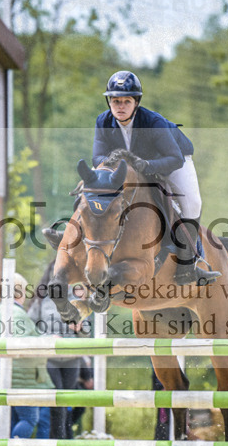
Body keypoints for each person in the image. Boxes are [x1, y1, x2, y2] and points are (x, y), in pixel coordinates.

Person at [93, 70, 220, 286]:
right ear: (109, 102)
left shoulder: (153, 122)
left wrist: (148, 165)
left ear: (136, 102)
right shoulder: (103, 121)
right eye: (115, 101)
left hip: (171, 160)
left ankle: (189, 264)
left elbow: (175, 158)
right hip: (134, 167)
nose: (120, 106)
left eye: (126, 101)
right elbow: (97, 157)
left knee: (192, 203)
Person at [28, 263, 90, 446]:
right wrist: (46, 337)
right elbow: (30, 329)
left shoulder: (76, 299)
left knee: (64, 408)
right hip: (50, 360)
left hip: (72, 360)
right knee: (53, 409)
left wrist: (80, 328)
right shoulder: (41, 301)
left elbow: (87, 333)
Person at [0, 273, 52, 441]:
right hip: (23, 376)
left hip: (12, 372)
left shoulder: (4, 310)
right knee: (29, 418)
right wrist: (47, 340)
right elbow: (25, 341)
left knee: (14, 418)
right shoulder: (15, 313)